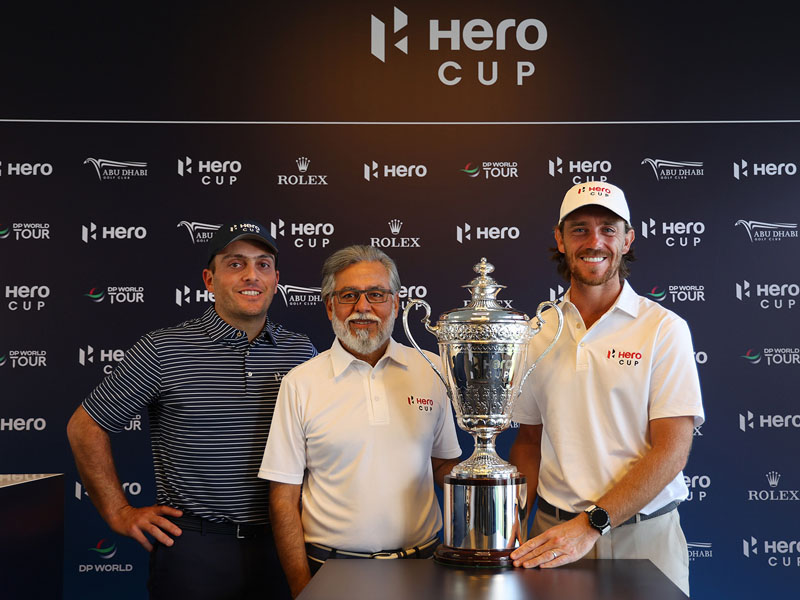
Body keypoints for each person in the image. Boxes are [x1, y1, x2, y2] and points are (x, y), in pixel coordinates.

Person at [67, 220, 317, 600]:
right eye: (236, 264)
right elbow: (85, 427)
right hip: (196, 551)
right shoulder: (163, 350)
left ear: (276, 278)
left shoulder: (301, 352)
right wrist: (118, 510)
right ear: (209, 279)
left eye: (263, 265)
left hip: (285, 546)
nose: (252, 275)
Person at [508, 182, 704, 596]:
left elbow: (672, 450)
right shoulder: (535, 333)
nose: (594, 241)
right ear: (559, 240)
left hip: (643, 536)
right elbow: (528, 441)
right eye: (579, 229)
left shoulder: (664, 329)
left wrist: (591, 524)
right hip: (553, 534)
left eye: (608, 229)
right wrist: (513, 522)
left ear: (627, 239)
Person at [259, 245, 462, 598]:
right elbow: (283, 496)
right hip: (331, 571)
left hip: (424, 568)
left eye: (376, 294)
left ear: (396, 303)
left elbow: (444, 463)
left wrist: (492, 492)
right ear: (329, 306)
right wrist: (302, 590)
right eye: (348, 295)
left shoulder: (432, 369)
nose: (363, 307)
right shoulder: (300, 383)